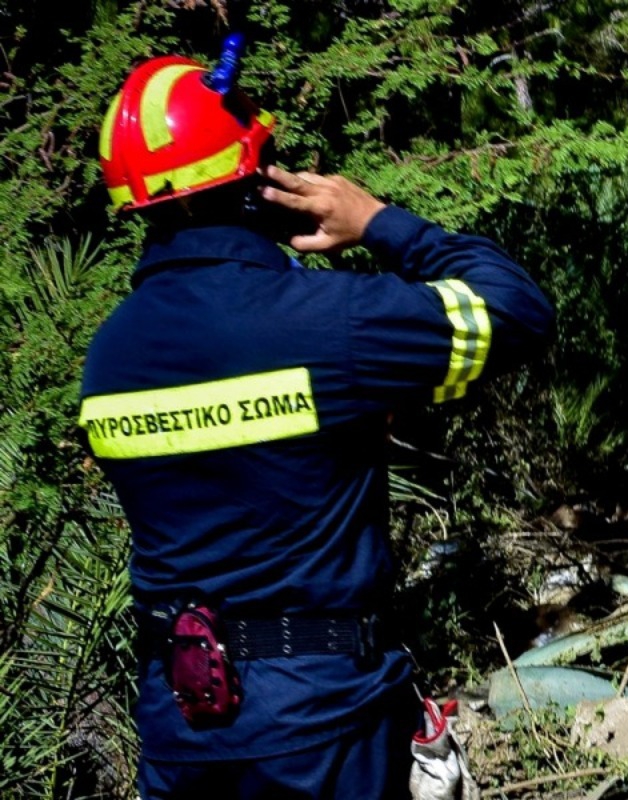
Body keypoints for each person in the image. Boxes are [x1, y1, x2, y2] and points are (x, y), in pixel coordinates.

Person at [78, 37, 553, 800]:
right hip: (324, 731)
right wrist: (380, 222)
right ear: (252, 185)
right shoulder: (328, 325)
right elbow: (518, 310)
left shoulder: (108, 358)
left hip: (181, 732)